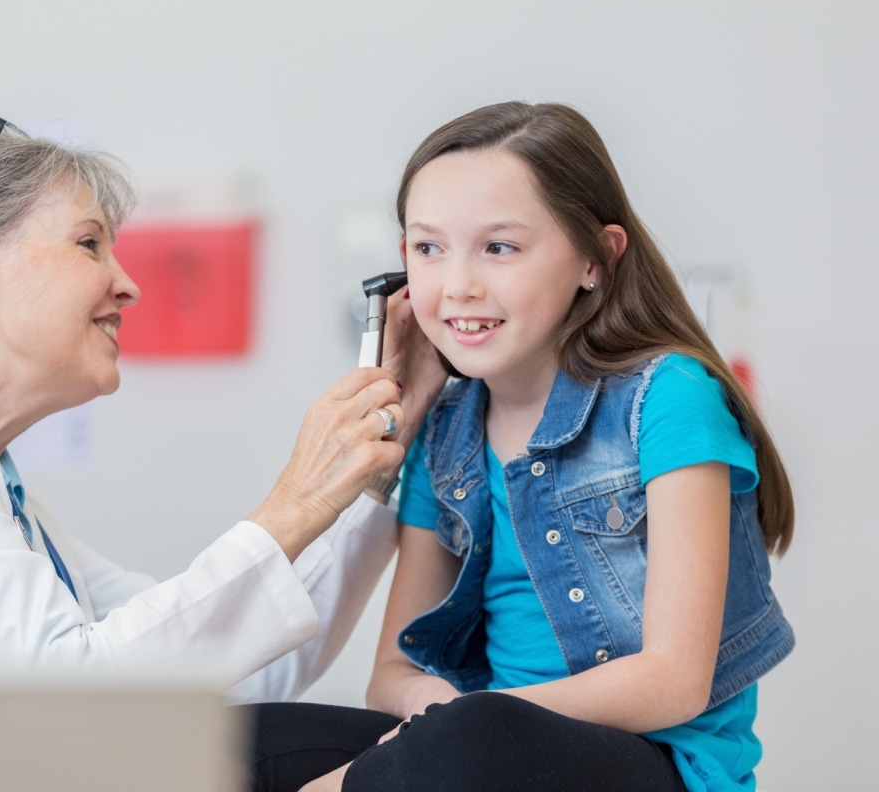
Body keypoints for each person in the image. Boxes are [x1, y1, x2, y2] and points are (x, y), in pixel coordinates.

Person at [0, 118, 440, 701]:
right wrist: (295, 499)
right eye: (89, 244)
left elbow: (224, 672)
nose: (129, 285)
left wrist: (376, 466)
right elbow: (67, 695)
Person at [249, 101, 796, 791]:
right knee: (247, 736)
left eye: (499, 247)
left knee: (475, 736)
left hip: (656, 763)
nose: (459, 285)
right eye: (429, 248)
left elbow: (674, 683)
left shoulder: (667, 398)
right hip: (479, 742)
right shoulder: (446, 429)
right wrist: (428, 712)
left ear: (596, 260)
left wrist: (457, 721)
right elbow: (389, 676)